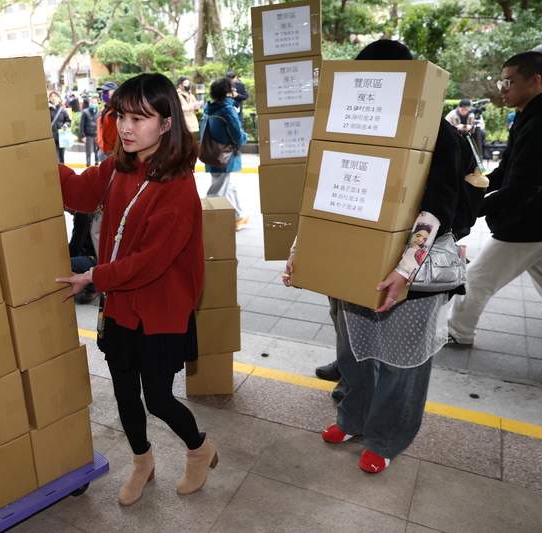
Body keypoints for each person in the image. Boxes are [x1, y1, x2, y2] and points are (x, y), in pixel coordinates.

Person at [284, 39, 478, 474]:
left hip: (410, 270)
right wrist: (302, 253)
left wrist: (405, 270)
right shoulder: (346, 127)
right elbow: (320, 200)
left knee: (400, 361)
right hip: (354, 263)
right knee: (354, 350)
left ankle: (386, 437)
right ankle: (352, 418)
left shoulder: (439, 135)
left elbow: (439, 205)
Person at [55, 73, 216, 505]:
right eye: (121, 116)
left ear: (166, 124)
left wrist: (94, 277)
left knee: (159, 399)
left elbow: (149, 262)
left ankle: (199, 449)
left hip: (161, 309)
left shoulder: (179, 189)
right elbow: (78, 192)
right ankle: (142, 462)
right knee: (125, 394)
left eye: (139, 118)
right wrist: (28, 154)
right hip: (122, 304)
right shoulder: (118, 165)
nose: (126, 127)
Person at [447, 51, 542, 346]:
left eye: (509, 82)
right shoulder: (528, 117)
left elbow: (524, 188)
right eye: (501, 81)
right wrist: (475, 188)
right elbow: (506, 170)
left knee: (477, 279)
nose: (502, 88)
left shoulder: (539, 124)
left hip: (527, 225)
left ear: (535, 81)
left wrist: (475, 208)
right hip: (534, 223)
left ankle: (458, 333)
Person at [201, 77, 250, 230]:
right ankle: (207, 223)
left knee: (228, 185)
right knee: (217, 189)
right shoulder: (227, 109)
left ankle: (238, 217)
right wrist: (245, 137)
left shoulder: (208, 108)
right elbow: (236, 134)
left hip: (211, 153)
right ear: (227, 92)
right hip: (224, 155)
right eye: (232, 90)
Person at [96, 81, 118, 162]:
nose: (103, 95)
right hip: (102, 151)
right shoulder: (102, 110)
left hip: (113, 151)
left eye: (106, 92)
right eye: (103, 92)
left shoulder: (119, 110)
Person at [49, 91, 71, 164]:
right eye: (51, 96)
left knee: (61, 156)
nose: (53, 98)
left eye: (55, 96)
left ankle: (62, 172)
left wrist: (66, 124)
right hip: (52, 136)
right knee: (54, 156)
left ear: (58, 97)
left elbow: (68, 120)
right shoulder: (47, 110)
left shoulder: (62, 110)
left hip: (62, 136)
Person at [79, 96, 100, 167]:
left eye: (95, 102)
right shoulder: (85, 112)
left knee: (97, 150)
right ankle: (88, 164)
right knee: (88, 151)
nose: (93, 104)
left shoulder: (99, 112)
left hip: (97, 135)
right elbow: (81, 124)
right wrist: (83, 135)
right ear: (89, 103)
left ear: (97, 104)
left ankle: (97, 163)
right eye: (92, 102)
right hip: (88, 135)